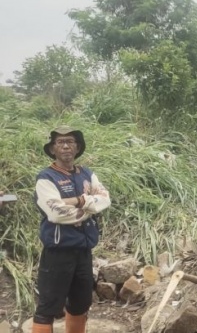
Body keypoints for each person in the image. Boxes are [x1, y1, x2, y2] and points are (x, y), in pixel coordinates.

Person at [32, 126, 111, 333]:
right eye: (60, 142)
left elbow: (104, 199)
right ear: (52, 149)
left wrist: (77, 201)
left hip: (83, 251)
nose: (66, 146)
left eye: (70, 141)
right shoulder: (46, 178)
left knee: (80, 303)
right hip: (58, 252)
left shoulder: (86, 174)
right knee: (48, 306)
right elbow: (56, 213)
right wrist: (87, 205)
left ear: (77, 148)